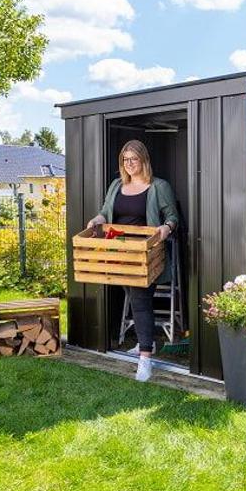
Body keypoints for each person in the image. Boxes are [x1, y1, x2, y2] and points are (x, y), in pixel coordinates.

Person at [87, 140, 180, 382]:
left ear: (144, 160)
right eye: (125, 159)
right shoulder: (117, 185)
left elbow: (172, 217)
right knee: (133, 296)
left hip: (145, 254)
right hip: (119, 252)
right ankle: (146, 343)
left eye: (133, 159)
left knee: (140, 300)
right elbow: (105, 212)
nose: (129, 163)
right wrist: (96, 220)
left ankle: (145, 359)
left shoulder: (158, 186)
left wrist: (166, 227)